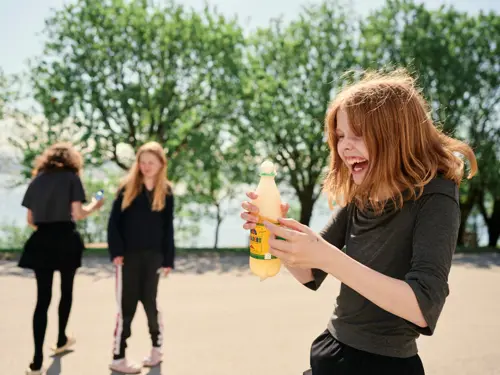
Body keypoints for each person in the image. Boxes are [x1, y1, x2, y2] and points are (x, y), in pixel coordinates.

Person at [240, 69, 477, 375]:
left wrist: (326, 255)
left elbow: (422, 306)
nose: (345, 147)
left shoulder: (437, 198)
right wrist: (276, 229)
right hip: (331, 350)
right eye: (340, 136)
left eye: (358, 134)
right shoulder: (360, 196)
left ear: (397, 135)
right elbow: (310, 272)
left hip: (385, 365)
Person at [19, 142, 105, 375]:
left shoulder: (37, 180)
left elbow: (30, 220)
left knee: (42, 300)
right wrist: (96, 206)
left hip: (42, 241)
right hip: (66, 239)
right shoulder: (71, 178)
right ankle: (60, 340)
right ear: (72, 160)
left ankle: (36, 361)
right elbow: (78, 213)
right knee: (66, 292)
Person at [107, 141, 176, 374]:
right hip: (127, 258)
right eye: (142, 162)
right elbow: (113, 223)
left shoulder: (166, 191)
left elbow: (168, 229)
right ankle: (118, 357)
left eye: (151, 163)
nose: (146, 167)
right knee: (126, 307)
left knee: (150, 303)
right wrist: (116, 251)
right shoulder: (126, 188)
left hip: (154, 257)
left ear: (160, 165)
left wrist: (168, 260)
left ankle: (157, 349)